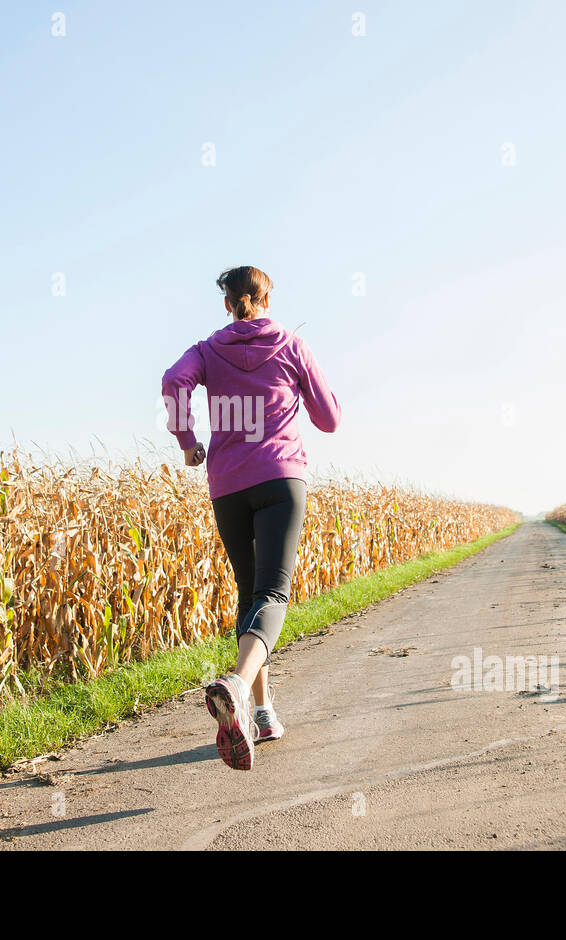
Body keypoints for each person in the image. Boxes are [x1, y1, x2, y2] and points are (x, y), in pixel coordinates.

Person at [161, 265, 341, 770]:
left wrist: (189, 442)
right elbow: (329, 419)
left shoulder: (206, 349)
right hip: (280, 479)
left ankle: (261, 715)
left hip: (228, 485)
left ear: (228, 303)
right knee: (273, 594)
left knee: (249, 594)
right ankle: (239, 686)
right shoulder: (290, 344)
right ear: (267, 297)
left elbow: (173, 381)